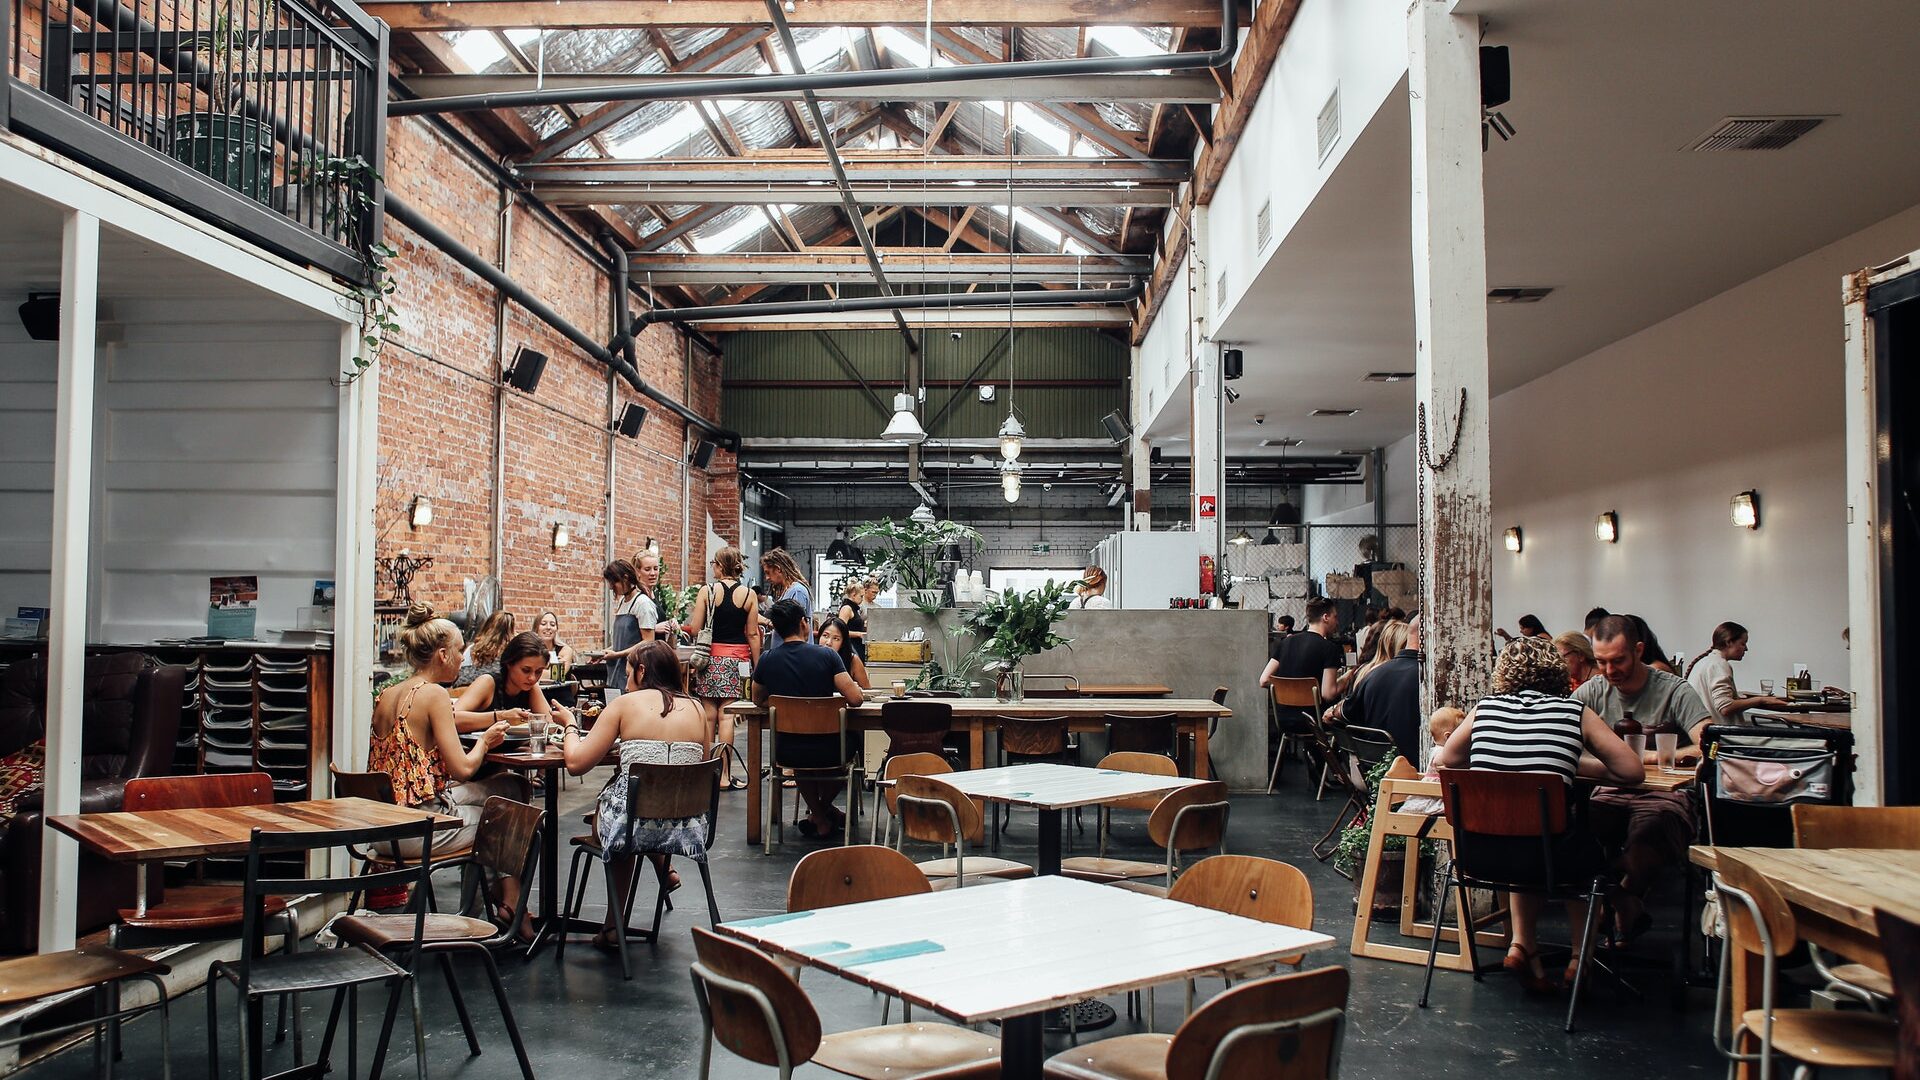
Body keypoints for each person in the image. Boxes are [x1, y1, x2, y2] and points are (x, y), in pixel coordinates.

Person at [1432, 636, 1643, 991]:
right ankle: (1580, 958)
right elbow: (1632, 771)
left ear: (1504, 674)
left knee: (1524, 833)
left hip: (1478, 856)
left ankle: (1523, 948)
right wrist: (1572, 762)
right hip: (1551, 858)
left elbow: (1448, 760)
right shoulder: (1574, 712)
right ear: (1557, 672)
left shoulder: (1484, 709)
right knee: (1582, 854)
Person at [369, 604, 531, 930]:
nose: (462, 658)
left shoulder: (388, 693)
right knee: (506, 818)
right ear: (442, 655)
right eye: (459, 651)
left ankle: (499, 907)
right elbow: (463, 769)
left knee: (513, 787)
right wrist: (486, 741)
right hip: (416, 829)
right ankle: (477, 919)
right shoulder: (434, 695)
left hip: (381, 826)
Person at [561, 640, 710, 949]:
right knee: (632, 811)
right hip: (687, 828)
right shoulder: (698, 709)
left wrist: (570, 726)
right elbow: (703, 769)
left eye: (628, 674)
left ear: (642, 671)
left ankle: (614, 926)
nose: (626, 682)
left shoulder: (624, 705)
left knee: (620, 819)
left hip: (630, 829)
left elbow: (575, 764)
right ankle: (626, 911)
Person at [1575, 614, 1714, 939]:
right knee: (1572, 834)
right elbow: (1562, 738)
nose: (1609, 671)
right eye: (1601, 662)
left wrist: (1647, 757)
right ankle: (1623, 902)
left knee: (1649, 839)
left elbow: (1708, 743)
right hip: (1608, 792)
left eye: (1618, 660)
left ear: (1638, 650)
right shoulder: (1592, 692)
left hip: (1664, 796)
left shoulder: (1673, 690)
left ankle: (1621, 897)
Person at [752, 598, 863, 839]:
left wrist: (783, 704)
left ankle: (819, 817)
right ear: (804, 623)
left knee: (801, 759)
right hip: (830, 750)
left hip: (787, 751)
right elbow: (856, 699)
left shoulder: (767, 658)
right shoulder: (827, 656)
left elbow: (757, 698)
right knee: (852, 743)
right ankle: (822, 813)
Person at [683, 546, 760, 790]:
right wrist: (757, 664)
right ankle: (725, 775)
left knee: (708, 716)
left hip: (710, 660)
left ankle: (709, 775)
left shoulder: (706, 591)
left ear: (719, 565)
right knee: (727, 717)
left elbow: (696, 629)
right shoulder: (748, 595)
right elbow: (753, 634)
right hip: (737, 660)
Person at [1340, 616, 1423, 763]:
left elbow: (1347, 714)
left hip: (1371, 765)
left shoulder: (1373, 674)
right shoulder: (1425, 679)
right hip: (1410, 768)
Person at [455, 631, 572, 732]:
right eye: (526, 670)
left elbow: (549, 724)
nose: (532, 678)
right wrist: (500, 716)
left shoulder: (531, 687)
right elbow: (452, 719)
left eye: (538, 671)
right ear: (509, 663)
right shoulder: (488, 682)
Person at [1685, 621, 1788, 724]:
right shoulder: (1719, 664)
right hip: (1721, 731)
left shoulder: (1703, 662)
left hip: (1702, 727)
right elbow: (1725, 708)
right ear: (1729, 642)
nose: (1746, 649)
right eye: (1743, 644)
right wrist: (1760, 700)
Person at [1260, 596, 1345, 703]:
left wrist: (1290, 690)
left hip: (1283, 713)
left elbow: (1264, 680)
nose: (1337, 622)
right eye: (1335, 617)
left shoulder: (1286, 642)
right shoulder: (1330, 648)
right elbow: (1328, 694)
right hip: (1315, 713)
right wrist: (1348, 676)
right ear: (1326, 617)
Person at [758, 548, 813, 641]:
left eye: (768, 572)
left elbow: (795, 627)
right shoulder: (786, 592)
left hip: (794, 649)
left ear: (778, 569)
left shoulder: (797, 591)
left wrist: (767, 622)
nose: (767, 578)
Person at [456, 611, 514, 687]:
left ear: (487, 625)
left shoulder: (472, 648)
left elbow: (461, 671)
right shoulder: (512, 653)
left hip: (464, 688)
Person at [818, 618, 871, 689]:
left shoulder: (852, 660)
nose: (829, 643)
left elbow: (867, 691)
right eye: (825, 636)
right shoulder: (810, 657)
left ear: (843, 643)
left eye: (836, 639)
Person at [834, 579, 869, 659]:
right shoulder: (847, 608)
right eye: (861, 596)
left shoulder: (854, 609)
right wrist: (858, 634)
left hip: (856, 646)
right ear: (853, 595)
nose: (862, 599)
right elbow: (840, 630)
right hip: (850, 647)